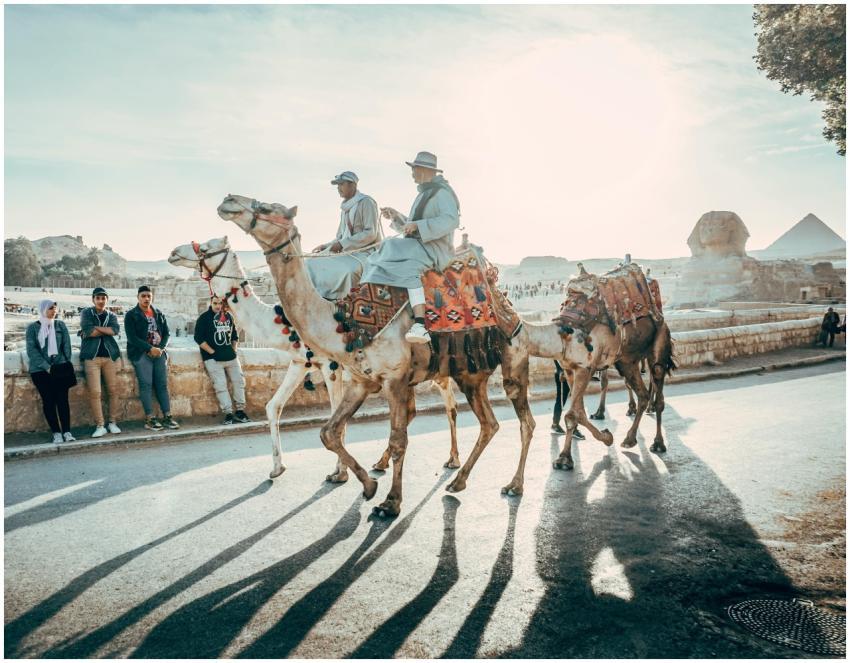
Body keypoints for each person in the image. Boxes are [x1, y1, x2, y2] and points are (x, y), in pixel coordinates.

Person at [361, 151, 460, 344]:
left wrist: (418, 225)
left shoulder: (442, 193)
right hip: (420, 245)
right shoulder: (424, 194)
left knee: (400, 258)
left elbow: (451, 220)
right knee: (383, 249)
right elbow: (412, 226)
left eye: (414, 169)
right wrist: (397, 217)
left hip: (436, 250)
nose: (412, 173)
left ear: (424, 170)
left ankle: (420, 325)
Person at [307, 170, 381, 299]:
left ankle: (345, 303)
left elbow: (371, 233)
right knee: (311, 263)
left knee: (348, 271)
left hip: (365, 252)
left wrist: (342, 244)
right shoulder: (345, 208)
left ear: (352, 185)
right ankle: (318, 299)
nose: (338, 188)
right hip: (346, 251)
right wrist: (326, 246)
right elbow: (340, 237)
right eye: (338, 185)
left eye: (341, 184)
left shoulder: (366, 202)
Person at [125, 285, 179, 430]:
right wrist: (149, 348)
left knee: (162, 384)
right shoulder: (131, 315)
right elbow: (132, 338)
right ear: (138, 297)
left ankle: (167, 416)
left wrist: (160, 348)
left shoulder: (158, 313)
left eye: (149, 296)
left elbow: (167, 334)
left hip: (159, 354)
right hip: (141, 354)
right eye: (143, 296)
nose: (146, 299)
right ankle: (150, 418)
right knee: (146, 385)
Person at [25, 300, 77, 444]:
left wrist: (62, 363)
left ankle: (67, 432)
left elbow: (67, 347)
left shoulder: (60, 325)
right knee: (48, 401)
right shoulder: (32, 328)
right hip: (40, 370)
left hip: (59, 368)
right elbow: (32, 350)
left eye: (55, 308)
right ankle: (56, 433)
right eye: (50, 308)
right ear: (43, 310)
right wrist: (46, 366)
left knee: (62, 400)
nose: (54, 311)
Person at [194, 295, 250, 425]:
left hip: (231, 357)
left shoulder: (228, 316)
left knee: (239, 382)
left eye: (220, 303)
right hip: (212, 359)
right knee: (220, 386)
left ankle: (240, 411)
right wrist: (213, 352)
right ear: (211, 303)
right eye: (215, 303)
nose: (218, 306)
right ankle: (228, 413)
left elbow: (234, 336)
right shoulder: (204, 318)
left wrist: (233, 350)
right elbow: (198, 338)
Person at [79, 287, 123, 438]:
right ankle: (100, 425)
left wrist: (96, 328)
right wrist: (105, 330)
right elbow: (88, 331)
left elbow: (115, 330)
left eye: (103, 298)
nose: (101, 301)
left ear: (107, 300)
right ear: (93, 299)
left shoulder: (111, 315)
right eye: (98, 298)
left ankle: (112, 422)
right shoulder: (86, 313)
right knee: (95, 392)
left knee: (113, 391)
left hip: (110, 357)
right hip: (92, 358)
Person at [551, 362, 584, 439]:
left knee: (575, 401)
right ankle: (556, 424)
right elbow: (556, 357)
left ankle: (572, 428)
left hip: (572, 374)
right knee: (562, 400)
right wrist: (560, 370)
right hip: (564, 375)